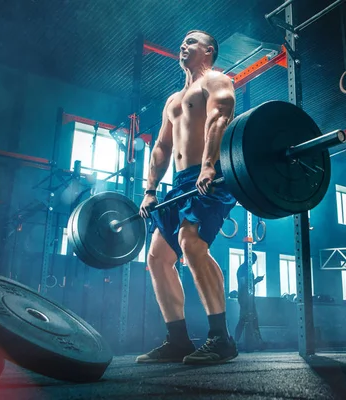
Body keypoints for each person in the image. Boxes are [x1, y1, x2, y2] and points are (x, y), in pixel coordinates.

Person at [135, 30, 238, 365]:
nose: (184, 45)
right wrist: (150, 190)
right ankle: (178, 340)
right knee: (157, 257)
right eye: (182, 41)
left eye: (192, 42)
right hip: (178, 185)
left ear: (208, 51)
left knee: (191, 243)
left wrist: (209, 165)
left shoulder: (216, 81)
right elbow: (162, 147)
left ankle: (221, 339)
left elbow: (219, 118)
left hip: (210, 175)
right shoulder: (172, 100)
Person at [234, 252, 264, 346]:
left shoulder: (246, 269)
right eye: (254, 261)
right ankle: (236, 342)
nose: (254, 263)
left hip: (248, 298)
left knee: (251, 319)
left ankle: (258, 342)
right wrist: (256, 281)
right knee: (244, 319)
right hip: (244, 298)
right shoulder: (243, 269)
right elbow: (244, 285)